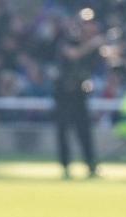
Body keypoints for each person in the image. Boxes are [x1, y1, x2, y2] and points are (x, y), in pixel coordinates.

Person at [53, 16, 104, 179]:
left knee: (84, 131)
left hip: (79, 93)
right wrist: (93, 44)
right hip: (64, 93)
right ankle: (65, 166)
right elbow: (73, 54)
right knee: (63, 131)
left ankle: (90, 166)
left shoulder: (92, 46)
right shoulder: (68, 40)